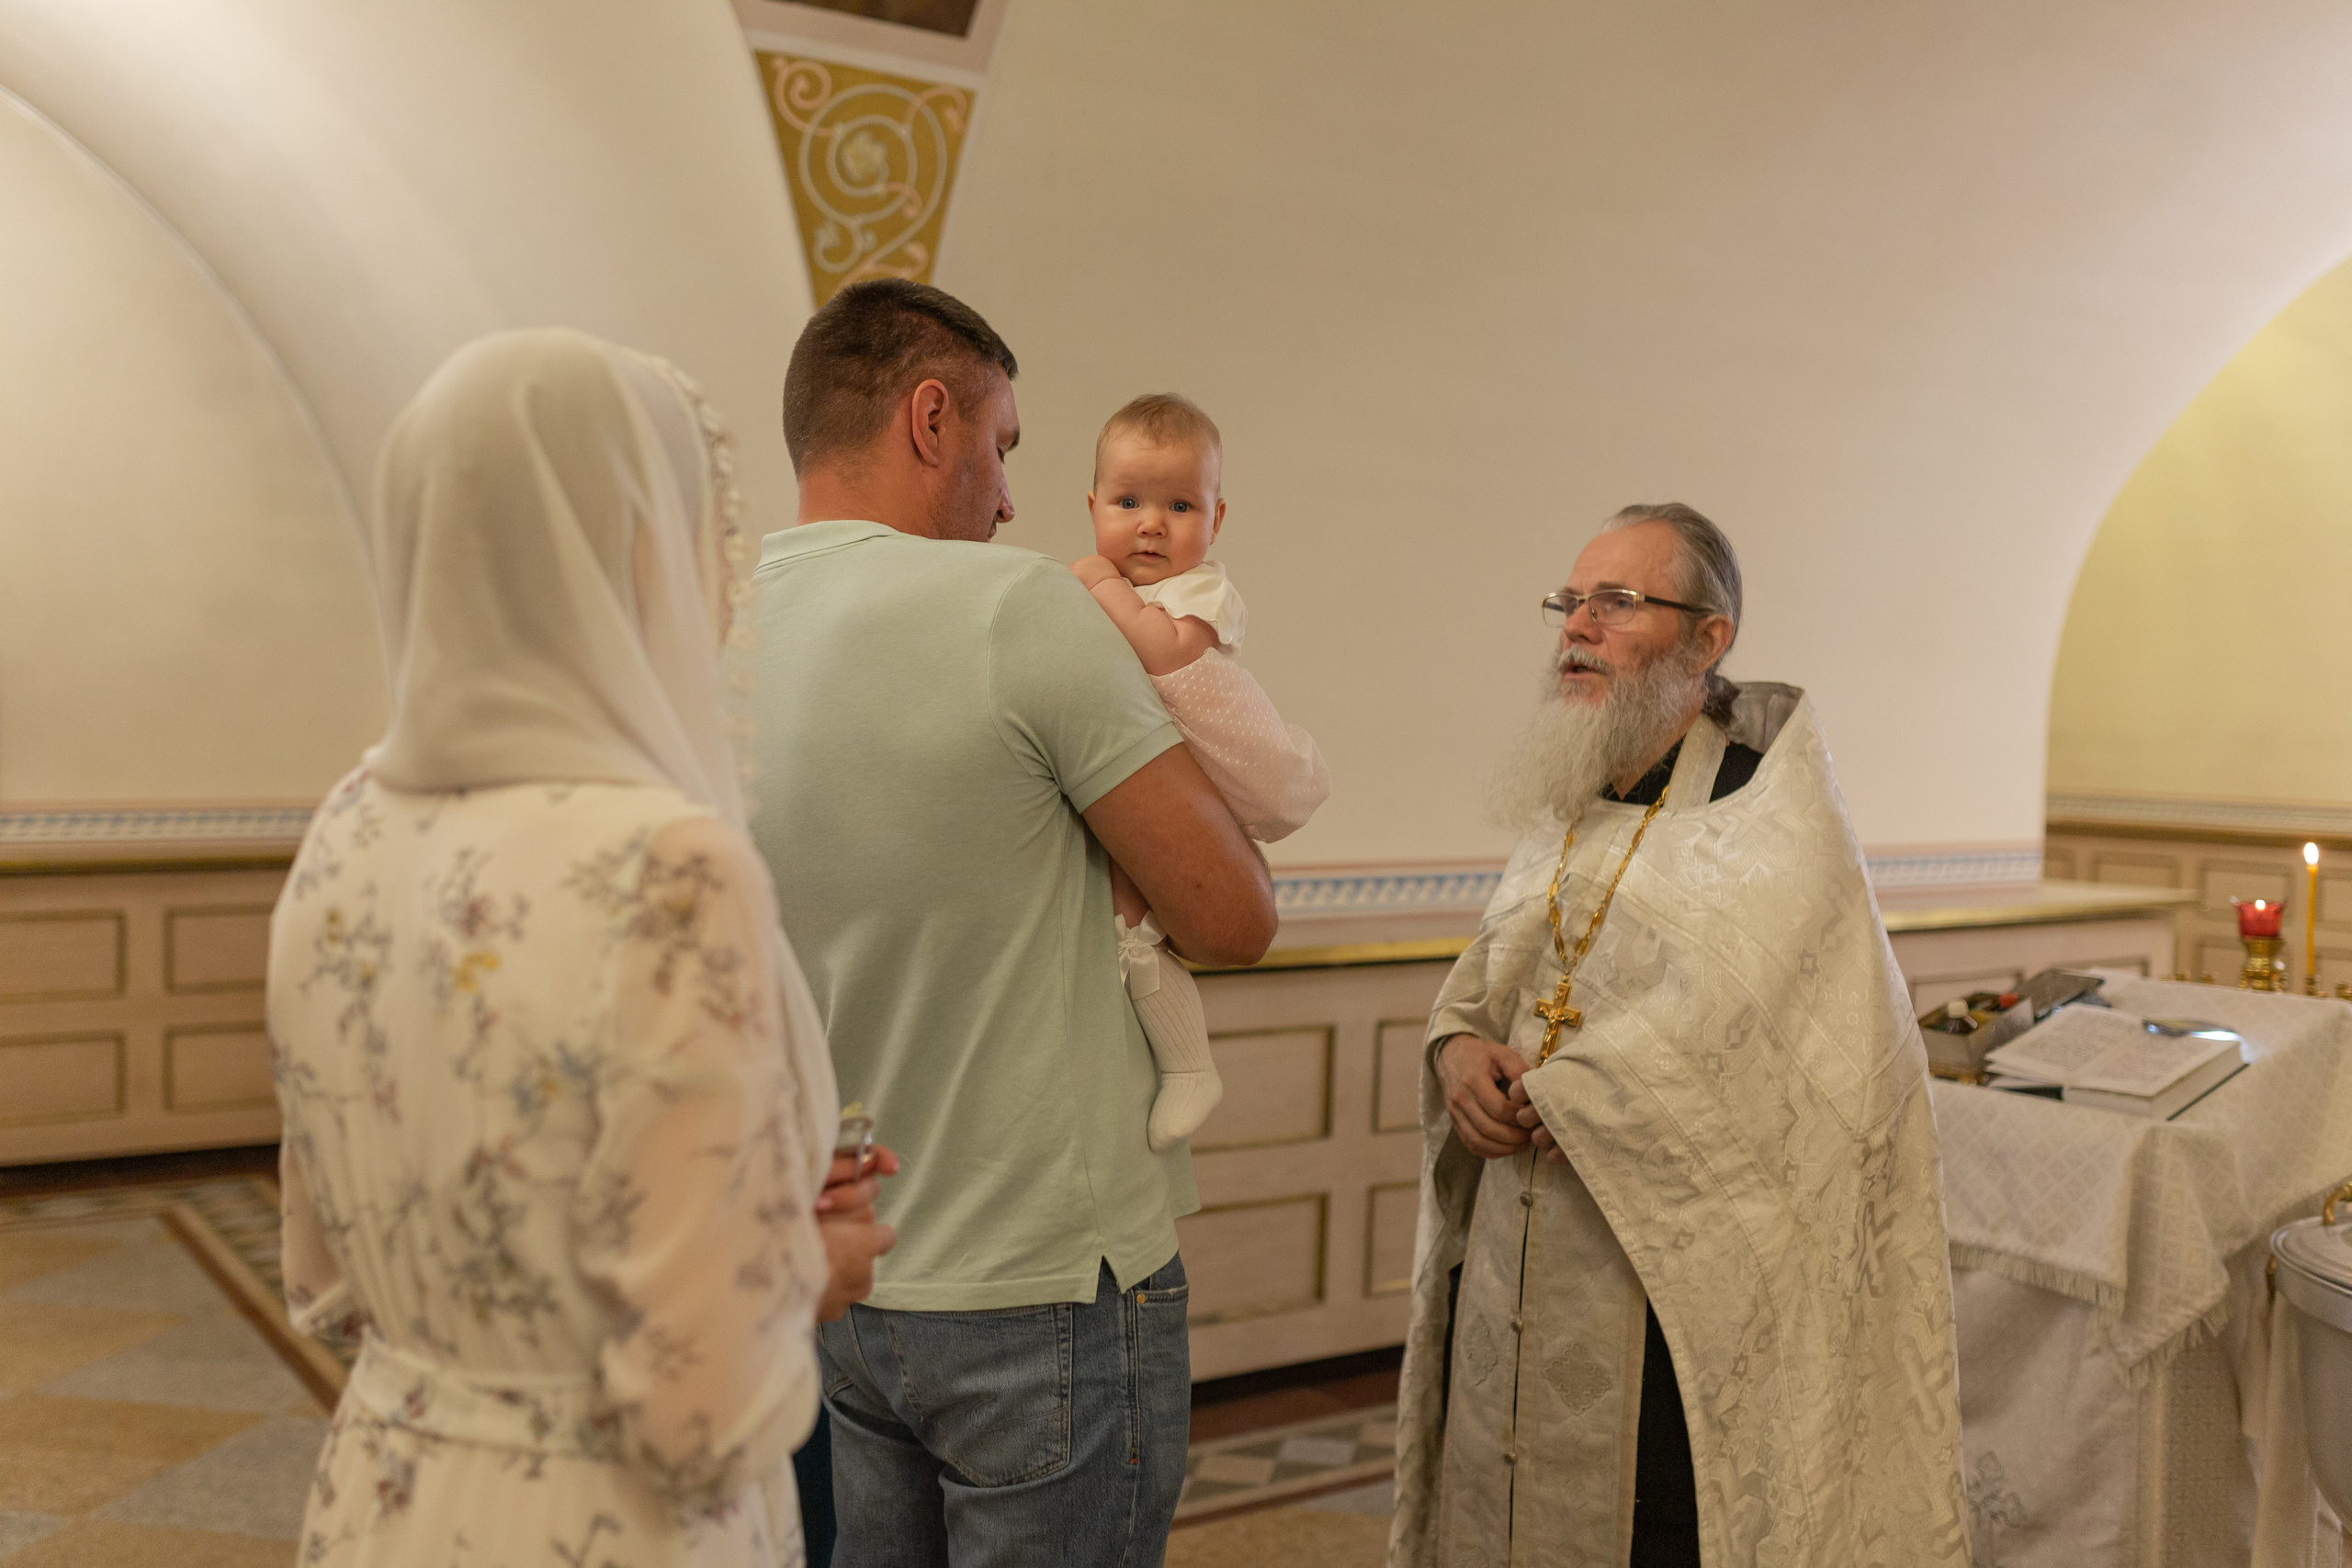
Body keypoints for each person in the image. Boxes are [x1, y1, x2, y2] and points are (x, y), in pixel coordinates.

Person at [269, 329, 894, 1567]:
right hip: (606, 1522)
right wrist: (812, 1262)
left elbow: (326, 1276)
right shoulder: (667, 866)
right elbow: (700, 1403)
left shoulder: (344, 828)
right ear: (638, 547)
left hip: (384, 1485)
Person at [741, 279, 1277, 1566]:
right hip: (1043, 1282)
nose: (1008, 495)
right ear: (933, 419)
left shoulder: (712, 622)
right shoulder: (1016, 608)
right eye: (1003, 444)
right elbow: (1231, 911)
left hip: (842, 1272)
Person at [1388, 505, 1970, 1567]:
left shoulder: (1770, 819)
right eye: (1571, 602)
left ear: (1709, 641)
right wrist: (1456, 1054)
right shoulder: (1566, 795)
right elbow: (1489, 984)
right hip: (1515, 1254)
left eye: (1617, 603)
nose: (1578, 627)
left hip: (1666, 1307)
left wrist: (1600, 1099)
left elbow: (1795, 1064)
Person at [1070, 391, 1330, 1150]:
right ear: (1093, 506)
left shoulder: (1197, 589)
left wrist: (1098, 584)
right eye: (1128, 500)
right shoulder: (1122, 595)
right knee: (1128, 919)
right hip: (1165, 759)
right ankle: (1185, 1062)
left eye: (1180, 504)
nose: (1151, 522)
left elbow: (1167, 651)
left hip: (1240, 757)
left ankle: (1187, 1063)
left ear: (1214, 522)